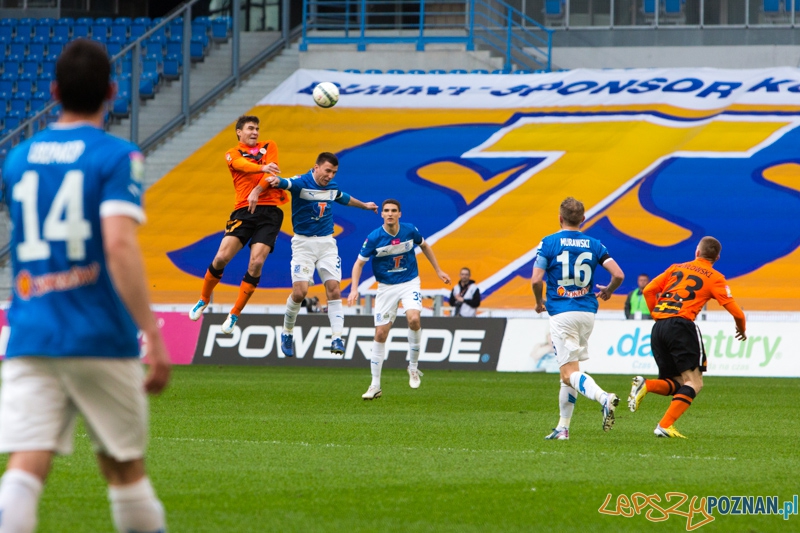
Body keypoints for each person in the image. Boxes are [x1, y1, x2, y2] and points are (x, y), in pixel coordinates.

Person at [0, 39, 170, 533]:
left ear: (53, 92)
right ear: (113, 92)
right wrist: (153, 335)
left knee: (26, 466)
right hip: (99, 335)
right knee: (123, 469)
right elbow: (118, 246)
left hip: (32, 335)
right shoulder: (118, 156)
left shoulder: (17, 159)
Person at [253, 152, 378, 356]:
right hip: (303, 244)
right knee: (300, 292)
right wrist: (273, 182)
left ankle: (337, 338)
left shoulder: (332, 187)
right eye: (327, 171)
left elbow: (343, 198)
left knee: (334, 290)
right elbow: (284, 183)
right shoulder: (301, 182)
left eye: (334, 172)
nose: (330, 175)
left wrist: (364, 205)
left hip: (327, 244)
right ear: (316, 167)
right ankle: (287, 331)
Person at [628, 236, 746, 439]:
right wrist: (741, 329)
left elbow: (649, 290)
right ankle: (664, 425)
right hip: (681, 326)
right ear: (717, 257)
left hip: (659, 328)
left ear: (697, 252)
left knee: (677, 382)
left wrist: (656, 315)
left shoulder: (676, 268)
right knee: (694, 383)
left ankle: (646, 385)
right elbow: (738, 313)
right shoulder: (715, 277)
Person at [532, 197, 625, 441]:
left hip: (562, 313)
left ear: (560, 218)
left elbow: (536, 279)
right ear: (583, 219)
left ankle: (603, 397)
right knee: (571, 370)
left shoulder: (549, 242)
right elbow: (618, 274)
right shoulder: (595, 244)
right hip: (587, 312)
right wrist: (608, 291)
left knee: (566, 373)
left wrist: (538, 301)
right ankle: (563, 428)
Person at [188, 114, 287, 334]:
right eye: (250, 128)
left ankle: (234, 314)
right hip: (244, 211)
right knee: (222, 257)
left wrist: (258, 189)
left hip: (270, 211)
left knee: (256, 263)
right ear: (239, 132)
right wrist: (262, 169)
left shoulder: (269, 145)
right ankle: (204, 299)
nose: (255, 132)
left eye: (257, 129)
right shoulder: (232, 154)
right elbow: (244, 165)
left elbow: (273, 174)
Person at [347, 199, 451, 399]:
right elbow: (358, 264)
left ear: (400, 214)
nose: (390, 214)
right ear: (382, 214)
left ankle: (413, 367)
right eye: (386, 211)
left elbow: (426, 246)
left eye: (394, 211)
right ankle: (375, 385)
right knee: (380, 334)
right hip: (386, 287)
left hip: (409, 282)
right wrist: (354, 289)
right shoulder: (374, 238)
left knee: (413, 319)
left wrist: (438, 270)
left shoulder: (410, 231)